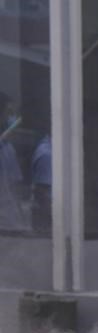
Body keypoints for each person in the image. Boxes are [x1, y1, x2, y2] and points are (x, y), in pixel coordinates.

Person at [0, 93, 28, 231]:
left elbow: (16, 187)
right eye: (9, 112)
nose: (12, 117)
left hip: (14, 223)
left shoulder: (8, 147)